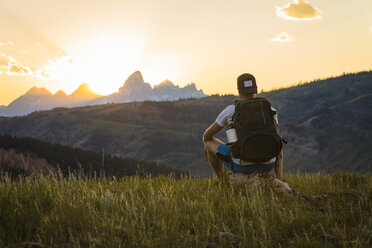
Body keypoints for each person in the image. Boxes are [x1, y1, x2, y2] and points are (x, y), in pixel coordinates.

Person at [202, 73, 283, 180]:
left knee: (208, 142)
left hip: (241, 165)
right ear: (256, 89)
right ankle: (280, 178)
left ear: (239, 91)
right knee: (279, 140)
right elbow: (273, 135)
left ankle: (221, 180)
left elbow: (207, 136)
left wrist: (206, 147)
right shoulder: (270, 109)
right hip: (268, 165)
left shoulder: (230, 110)